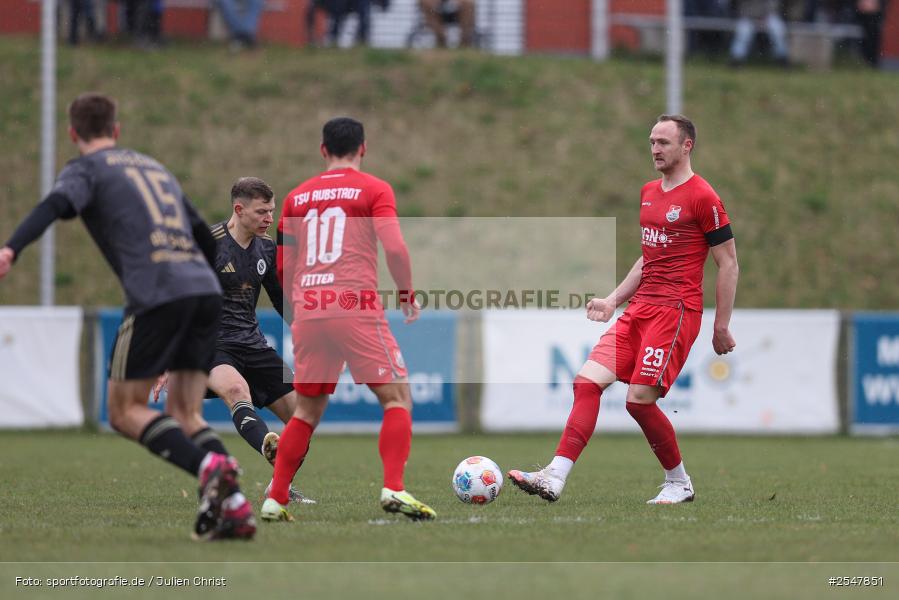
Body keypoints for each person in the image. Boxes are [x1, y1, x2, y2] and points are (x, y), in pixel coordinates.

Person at [0, 93, 255, 540]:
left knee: (122, 411)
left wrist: (11, 248)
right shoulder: (153, 167)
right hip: (204, 290)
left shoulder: (86, 168)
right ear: (116, 130)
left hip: (157, 293)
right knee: (186, 412)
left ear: (72, 133)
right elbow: (204, 235)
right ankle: (234, 509)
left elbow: (54, 206)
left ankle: (210, 466)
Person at [508, 115, 739, 505]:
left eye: (664, 142)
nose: (655, 149)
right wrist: (613, 300)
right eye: (651, 142)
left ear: (687, 146)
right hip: (640, 308)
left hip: (675, 312)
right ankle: (554, 476)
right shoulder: (649, 192)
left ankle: (679, 482)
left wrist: (722, 325)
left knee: (639, 401)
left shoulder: (703, 197)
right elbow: (649, 256)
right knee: (586, 382)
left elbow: (728, 262)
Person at [261, 117, 436, 522]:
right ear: (363, 148)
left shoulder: (297, 197)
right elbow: (395, 247)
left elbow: (283, 266)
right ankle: (394, 488)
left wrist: (299, 309)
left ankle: (275, 499)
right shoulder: (374, 189)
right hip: (353, 305)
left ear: (323, 150)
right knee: (397, 398)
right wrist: (406, 294)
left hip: (308, 308)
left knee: (306, 412)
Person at [154, 176, 312, 504]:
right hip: (212, 345)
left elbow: (281, 299)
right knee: (237, 391)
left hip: (253, 344)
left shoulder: (266, 248)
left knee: (304, 416)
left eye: (271, 210)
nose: (269, 218)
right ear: (239, 210)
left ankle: (278, 488)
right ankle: (268, 444)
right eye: (261, 212)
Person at [729, 0, 790, 66]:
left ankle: (782, 57)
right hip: (748, 17)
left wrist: (764, 17)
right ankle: (737, 58)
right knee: (743, 32)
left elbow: (774, 5)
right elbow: (741, 6)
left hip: (768, 16)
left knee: (777, 29)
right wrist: (754, 17)